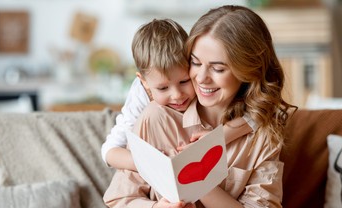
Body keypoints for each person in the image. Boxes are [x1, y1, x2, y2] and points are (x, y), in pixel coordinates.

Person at [104, 5, 295, 208]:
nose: (201, 78)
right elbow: (122, 197)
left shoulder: (261, 137)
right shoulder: (157, 116)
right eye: (194, 63)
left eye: (217, 68)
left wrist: (197, 174)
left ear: (247, 71)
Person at [101, 18, 256, 172]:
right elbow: (109, 150)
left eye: (184, 81)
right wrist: (149, 163)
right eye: (162, 88)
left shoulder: (204, 81)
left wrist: (219, 137)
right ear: (144, 81)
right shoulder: (141, 93)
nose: (177, 95)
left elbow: (260, 113)